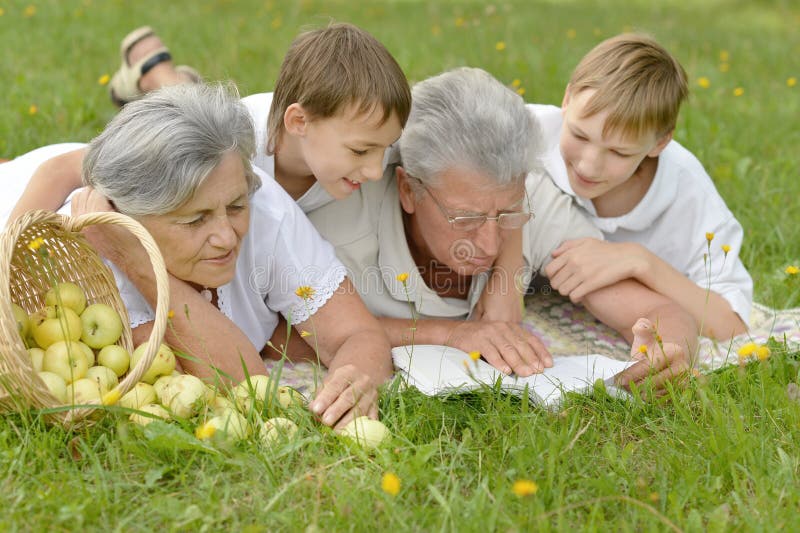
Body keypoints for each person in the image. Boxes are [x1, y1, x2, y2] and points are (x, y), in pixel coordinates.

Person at [7, 22, 521, 325]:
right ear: (298, 122)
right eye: (363, 151)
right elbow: (64, 168)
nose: (377, 168)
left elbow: (499, 165)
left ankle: (165, 75)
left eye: (383, 151)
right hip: (115, 169)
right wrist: (12, 250)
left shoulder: (368, 146)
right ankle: (159, 74)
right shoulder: (238, 144)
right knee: (176, 116)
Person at [1, 83, 393, 428]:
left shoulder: (260, 202)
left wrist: (355, 377)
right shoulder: (86, 259)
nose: (226, 236)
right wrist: (138, 264)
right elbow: (240, 383)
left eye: (236, 207)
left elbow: (358, 332)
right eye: (195, 220)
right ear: (130, 217)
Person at [307, 68, 699, 393]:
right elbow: (283, 329)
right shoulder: (340, 217)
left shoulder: (538, 201)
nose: (491, 243)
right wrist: (450, 335)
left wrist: (669, 348)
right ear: (409, 189)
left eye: (508, 213)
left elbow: (657, 311)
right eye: (467, 219)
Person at [530, 34, 752, 340]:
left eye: (619, 152)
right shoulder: (525, 131)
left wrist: (640, 261)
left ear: (660, 142)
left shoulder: (686, 194)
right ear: (567, 100)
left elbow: (732, 326)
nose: (588, 166)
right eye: (580, 135)